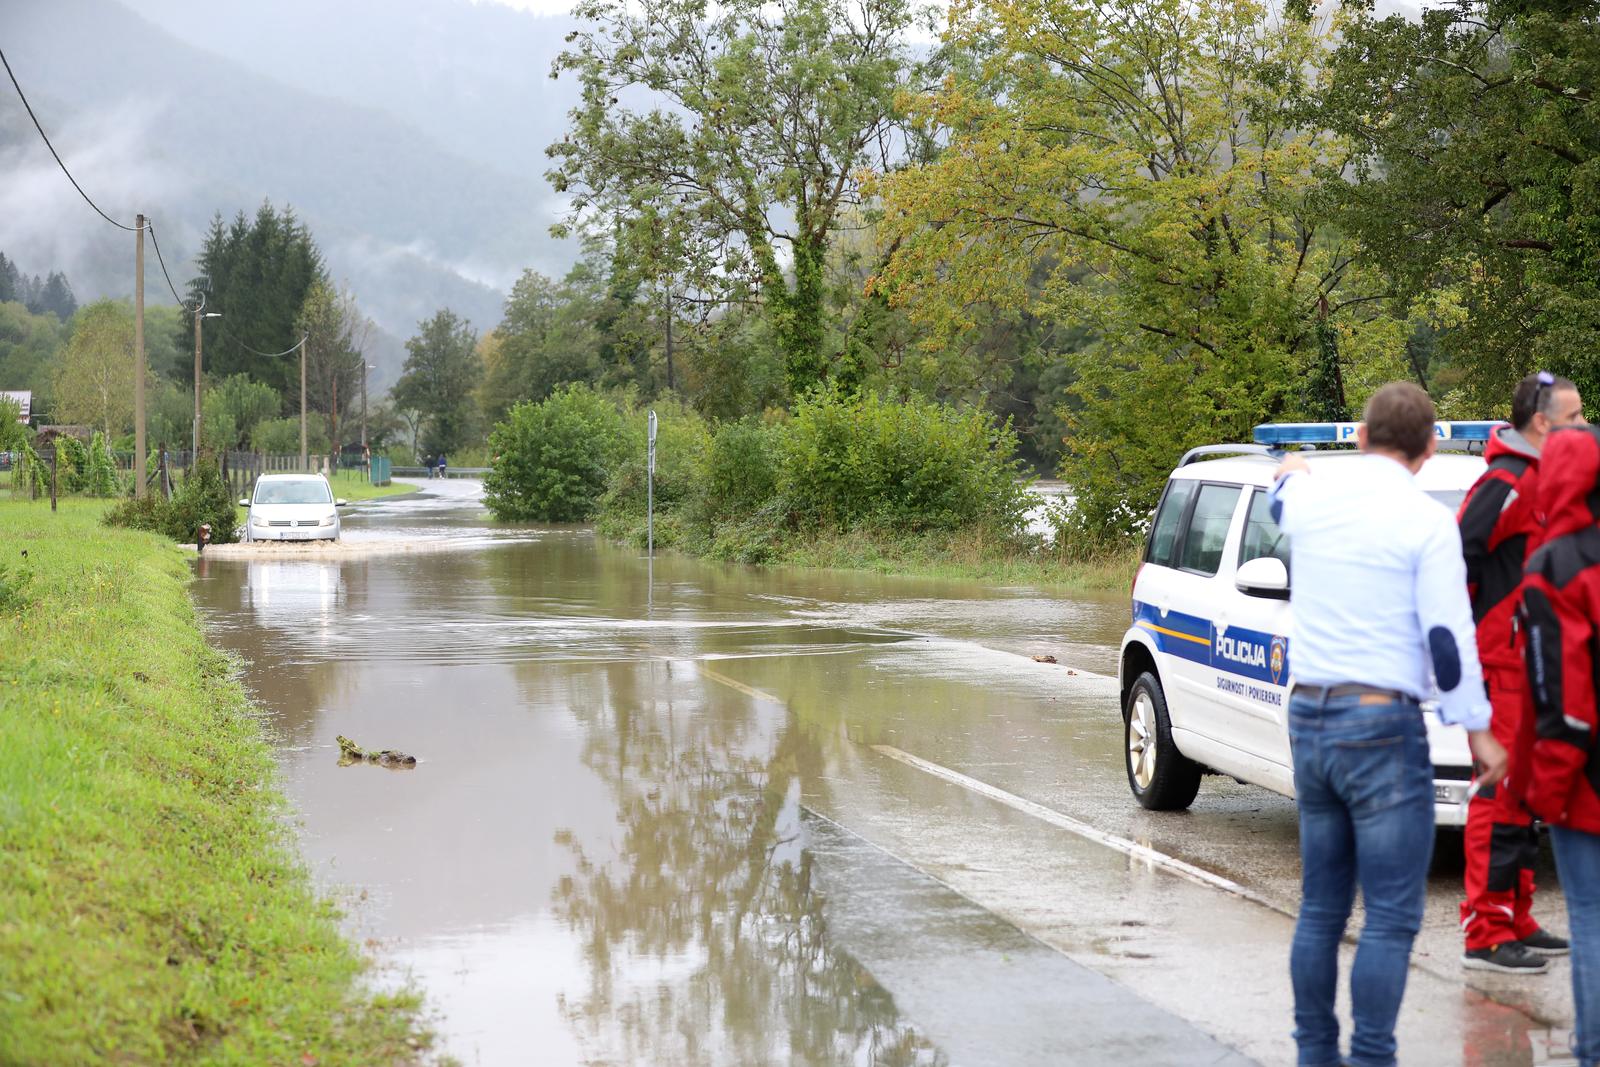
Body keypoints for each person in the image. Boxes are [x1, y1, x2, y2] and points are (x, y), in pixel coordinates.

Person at [1270, 381, 1507, 1067]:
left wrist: (1292, 467)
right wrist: (1476, 726)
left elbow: (1283, 493)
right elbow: (1445, 636)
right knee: (1392, 915)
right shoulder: (1425, 521)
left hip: (1310, 716)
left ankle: (1315, 1054)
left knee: (1320, 908)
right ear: (1430, 449)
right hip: (1380, 723)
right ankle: (1372, 1057)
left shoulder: (1311, 500)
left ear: (1363, 437)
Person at [1456, 371, 1582, 973]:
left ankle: (1517, 916)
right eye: (1575, 417)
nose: (1584, 427)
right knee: (1497, 794)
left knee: (1527, 795)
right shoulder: (1504, 481)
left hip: (1533, 660)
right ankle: (1483, 933)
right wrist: (1485, 642)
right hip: (1500, 664)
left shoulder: (1547, 478)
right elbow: (1459, 564)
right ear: (1542, 423)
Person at [1520, 424, 1600, 1067]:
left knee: (1592, 918)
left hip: (1588, 779)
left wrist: (1544, 791)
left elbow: (1565, 706)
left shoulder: (1556, 564)